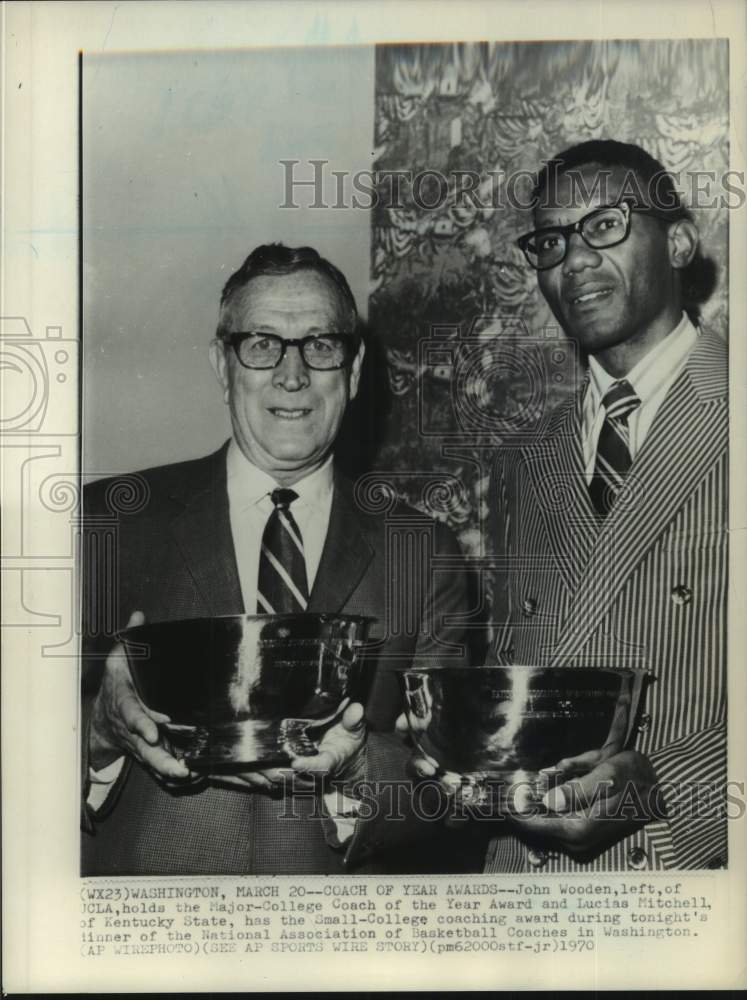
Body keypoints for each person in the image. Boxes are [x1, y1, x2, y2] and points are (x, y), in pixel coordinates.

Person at [81, 243, 472, 876]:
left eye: (320, 345)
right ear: (221, 361)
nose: (293, 376)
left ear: (354, 366)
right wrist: (99, 731)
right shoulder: (107, 523)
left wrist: (359, 769)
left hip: (335, 949)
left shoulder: (425, 554)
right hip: (152, 942)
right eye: (262, 344)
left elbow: (451, 781)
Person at [413, 140, 727, 872]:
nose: (574, 259)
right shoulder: (523, 458)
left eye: (605, 225)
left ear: (678, 242)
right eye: (551, 240)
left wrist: (661, 789)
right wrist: (460, 742)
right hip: (522, 889)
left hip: (686, 880)